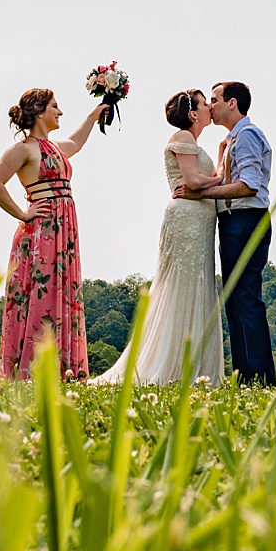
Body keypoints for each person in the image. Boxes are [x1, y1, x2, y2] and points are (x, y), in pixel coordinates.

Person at [97, 90, 222, 384]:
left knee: (198, 284)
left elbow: (203, 177)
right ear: (193, 114)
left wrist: (218, 161)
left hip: (200, 219)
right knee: (181, 284)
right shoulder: (183, 138)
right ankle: (169, 364)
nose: (209, 109)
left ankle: (194, 365)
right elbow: (192, 181)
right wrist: (220, 178)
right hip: (187, 217)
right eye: (205, 104)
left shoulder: (194, 142)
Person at [0, 87, 103, 380]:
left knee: (62, 292)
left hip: (65, 232)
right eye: (55, 106)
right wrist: (23, 213)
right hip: (41, 232)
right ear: (39, 111)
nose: (60, 112)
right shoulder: (23, 149)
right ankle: (33, 369)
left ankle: (65, 368)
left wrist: (95, 113)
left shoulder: (55, 148)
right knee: (41, 293)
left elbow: (76, 141)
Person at [175, 80, 276, 385]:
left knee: (245, 297)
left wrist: (199, 195)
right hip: (234, 221)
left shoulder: (247, 136)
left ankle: (260, 377)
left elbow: (249, 185)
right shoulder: (233, 139)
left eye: (216, 100)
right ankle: (245, 374)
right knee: (234, 298)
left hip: (246, 219)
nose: (211, 106)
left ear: (232, 103)